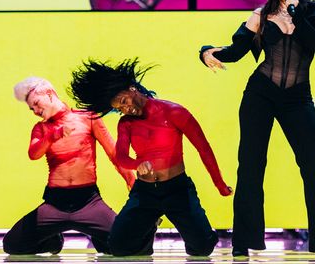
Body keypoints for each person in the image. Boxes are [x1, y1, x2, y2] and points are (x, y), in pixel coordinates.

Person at [200, 0, 315, 258]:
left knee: (314, 168)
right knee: (250, 166)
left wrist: (296, 11)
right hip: (260, 94)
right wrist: (207, 52)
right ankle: (242, 242)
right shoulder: (261, 16)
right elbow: (235, 51)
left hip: (298, 97)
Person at [68, 58, 232, 256]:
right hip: (144, 193)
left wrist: (219, 184)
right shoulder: (126, 123)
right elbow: (121, 157)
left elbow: (203, 148)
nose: (126, 109)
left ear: (132, 89)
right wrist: (137, 164)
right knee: (118, 247)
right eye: (119, 109)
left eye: (124, 102)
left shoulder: (174, 112)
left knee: (202, 248)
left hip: (177, 189)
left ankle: (199, 231)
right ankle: (150, 225)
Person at [3, 77, 136, 255]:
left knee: (127, 244)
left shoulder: (88, 117)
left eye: (36, 103)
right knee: (12, 245)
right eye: (31, 108)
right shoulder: (41, 129)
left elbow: (113, 154)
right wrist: (53, 135)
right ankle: (53, 241)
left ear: (49, 94)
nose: (35, 110)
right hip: (54, 204)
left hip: (89, 202)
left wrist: (133, 183)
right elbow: (33, 153)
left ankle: (99, 235)